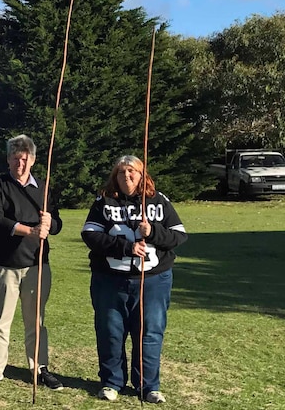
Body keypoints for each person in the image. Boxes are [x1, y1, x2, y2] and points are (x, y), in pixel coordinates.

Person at [81, 155, 187, 404]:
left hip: (152, 281)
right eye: (121, 172)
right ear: (114, 176)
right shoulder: (104, 201)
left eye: (132, 172)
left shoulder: (159, 201)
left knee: (149, 332)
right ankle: (111, 382)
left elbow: (179, 236)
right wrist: (125, 248)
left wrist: (154, 232)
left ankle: (148, 385)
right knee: (110, 331)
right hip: (110, 280)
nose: (126, 177)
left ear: (142, 175)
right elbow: (90, 235)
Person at [0, 134, 64, 391]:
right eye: (16, 159)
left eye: (25, 159)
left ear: (34, 160)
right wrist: (30, 230)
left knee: (35, 320)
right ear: (8, 159)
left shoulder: (44, 188)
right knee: (1, 320)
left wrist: (50, 225)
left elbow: (58, 223)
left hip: (38, 264)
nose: (20, 164)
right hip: (6, 264)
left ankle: (39, 368)